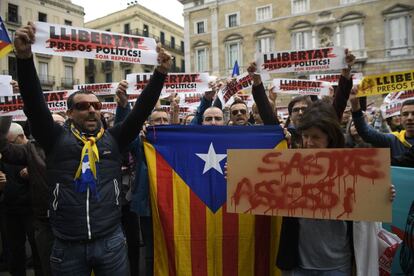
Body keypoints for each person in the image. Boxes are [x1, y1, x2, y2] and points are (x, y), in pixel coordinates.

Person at [14, 22, 171, 276]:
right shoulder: (54, 138)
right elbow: (33, 105)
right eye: (83, 106)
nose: (92, 110)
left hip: (111, 241)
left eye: (96, 106)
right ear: (69, 112)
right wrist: (24, 58)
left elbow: (141, 111)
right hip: (67, 246)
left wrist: (160, 73)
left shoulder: (113, 139)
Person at [276, 101, 396, 276]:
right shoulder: (290, 165)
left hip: (337, 265)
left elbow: (368, 203)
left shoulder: (351, 166)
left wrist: (383, 194)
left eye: (315, 137)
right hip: (298, 263)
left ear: (330, 138)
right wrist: (238, 174)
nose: (309, 142)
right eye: (306, 136)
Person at [0, 113, 66, 276]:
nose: (55, 128)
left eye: (60, 123)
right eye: (52, 123)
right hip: (43, 218)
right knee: (45, 263)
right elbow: (6, 150)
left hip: (72, 218)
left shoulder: (81, 146)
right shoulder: (32, 148)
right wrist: (6, 112)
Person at [1, 123, 42, 276]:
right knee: (14, 249)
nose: (7, 150)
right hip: (10, 208)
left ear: (20, 137)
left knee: (38, 248)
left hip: (32, 209)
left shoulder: (36, 152)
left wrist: (35, 172)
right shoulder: (4, 154)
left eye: (10, 144)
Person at [350, 89, 414, 159]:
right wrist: (355, 105)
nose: (409, 118)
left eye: (413, 114)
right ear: (401, 118)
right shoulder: (393, 139)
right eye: (405, 114)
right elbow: (366, 132)